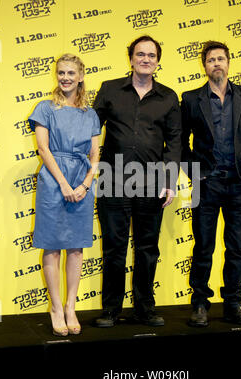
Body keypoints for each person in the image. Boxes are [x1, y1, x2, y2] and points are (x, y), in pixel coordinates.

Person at [93, 35, 182, 327]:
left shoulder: (169, 97)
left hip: (152, 182)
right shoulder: (109, 90)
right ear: (131, 58)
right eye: (140, 54)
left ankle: (144, 308)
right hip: (112, 179)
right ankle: (111, 310)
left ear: (158, 62)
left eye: (151, 55)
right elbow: (93, 133)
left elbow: (175, 142)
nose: (146, 59)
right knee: (114, 248)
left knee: (147, 249)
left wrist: (170, 180)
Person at [181, 41, 241, 327]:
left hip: (239, 185)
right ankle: (200, 305)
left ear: (228, 62)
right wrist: (196, 174)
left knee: (237, 248)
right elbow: (180, 142)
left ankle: (233, 304)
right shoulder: (191, 99)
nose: (216, 63)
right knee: (203, 247)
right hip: (207, 185)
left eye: (220, 59)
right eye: (210, 60)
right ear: (203, 66)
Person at [28, 54, 101, 336]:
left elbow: (95, 154)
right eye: (61, 73)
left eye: (71, 73)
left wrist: (84, 184)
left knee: (76, 246)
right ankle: (56, 307)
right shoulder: (45, 108)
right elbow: (44, 149)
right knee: (52, 245)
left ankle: (71, 306)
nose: (66, 77)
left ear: (81, 76)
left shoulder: (90, 114)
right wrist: (64, 184)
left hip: (81, 178)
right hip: (53, 179)